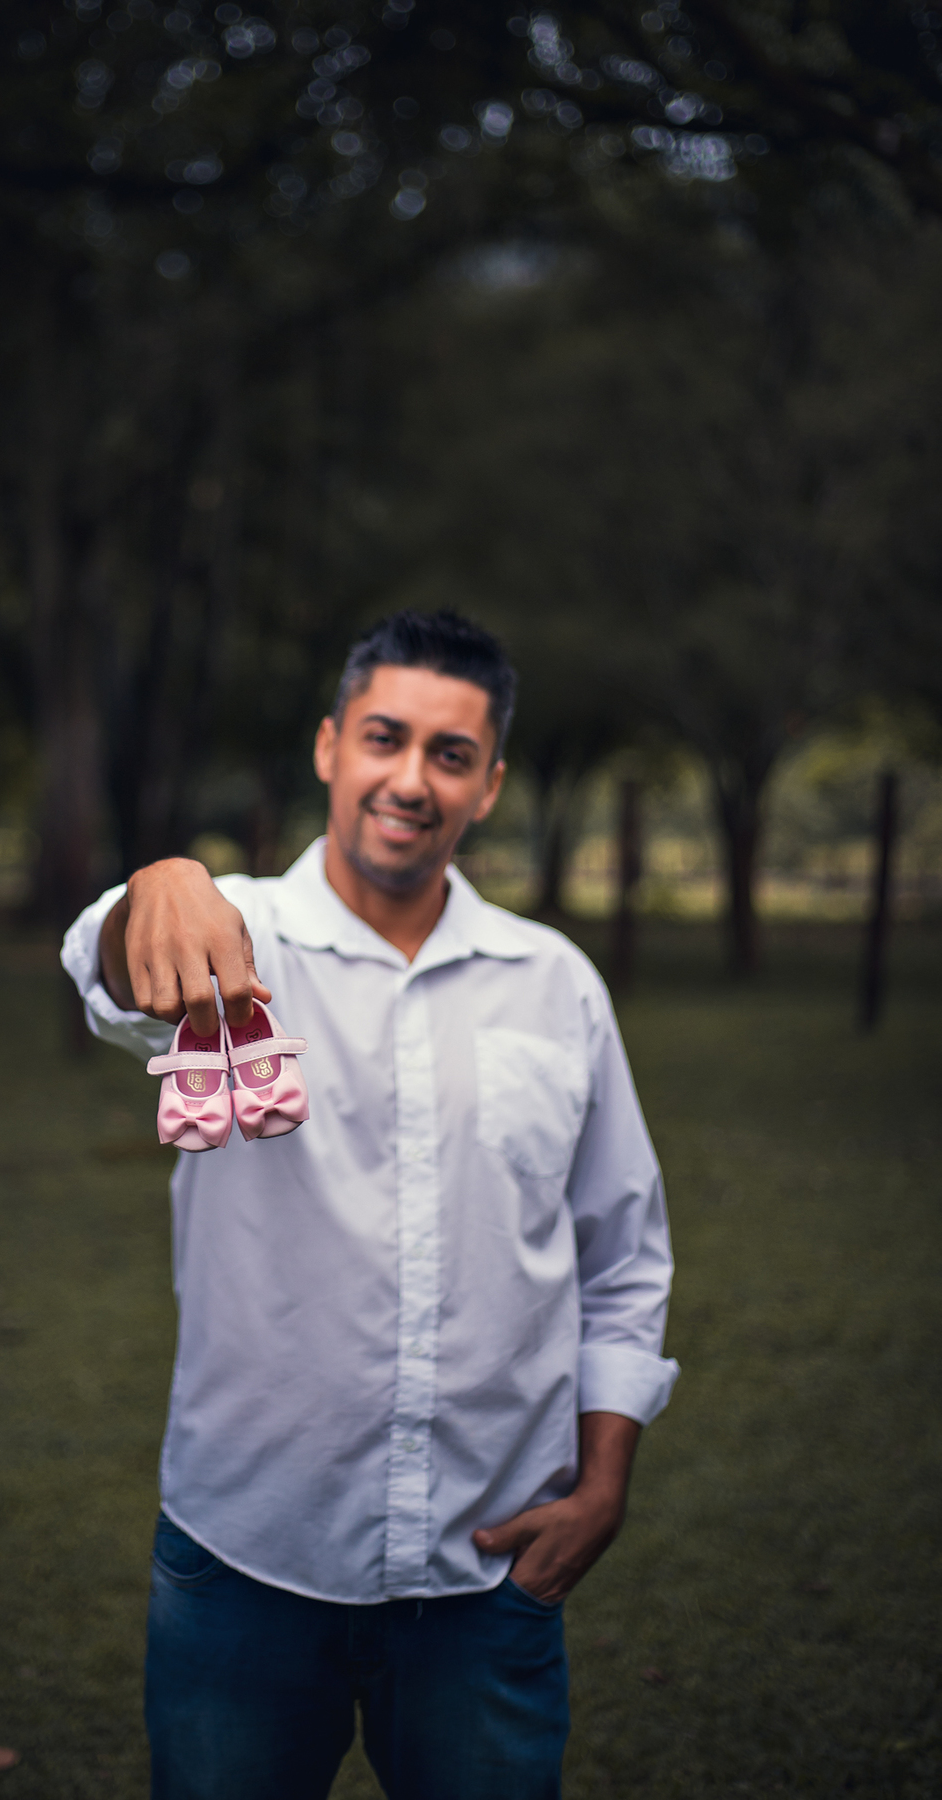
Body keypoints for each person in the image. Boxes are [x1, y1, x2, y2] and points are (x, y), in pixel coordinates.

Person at [60, 610, 678, 1800]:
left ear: (490, 784)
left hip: (486, 1580)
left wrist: (604, 1483)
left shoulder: (557, 986)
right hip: (244, 1564)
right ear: (328, 746)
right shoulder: (237, 934)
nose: (411, 779)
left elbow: (623, 1257)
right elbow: (108, 970)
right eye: (385, 738)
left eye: (451, 754)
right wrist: (160, 880)